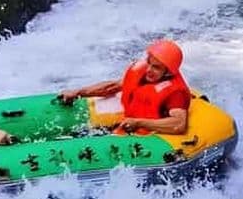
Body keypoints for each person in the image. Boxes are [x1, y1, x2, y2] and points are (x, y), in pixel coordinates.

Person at [59, 40, 191, 135]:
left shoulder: (175, 93)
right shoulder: (145, 72)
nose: (149, 70)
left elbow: (178, 124)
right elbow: (112, 87)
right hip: (130, 120)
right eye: (149, 63)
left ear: (168, 71)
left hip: (147, 132)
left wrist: (139, 123)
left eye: (156, 67)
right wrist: (78, 93)